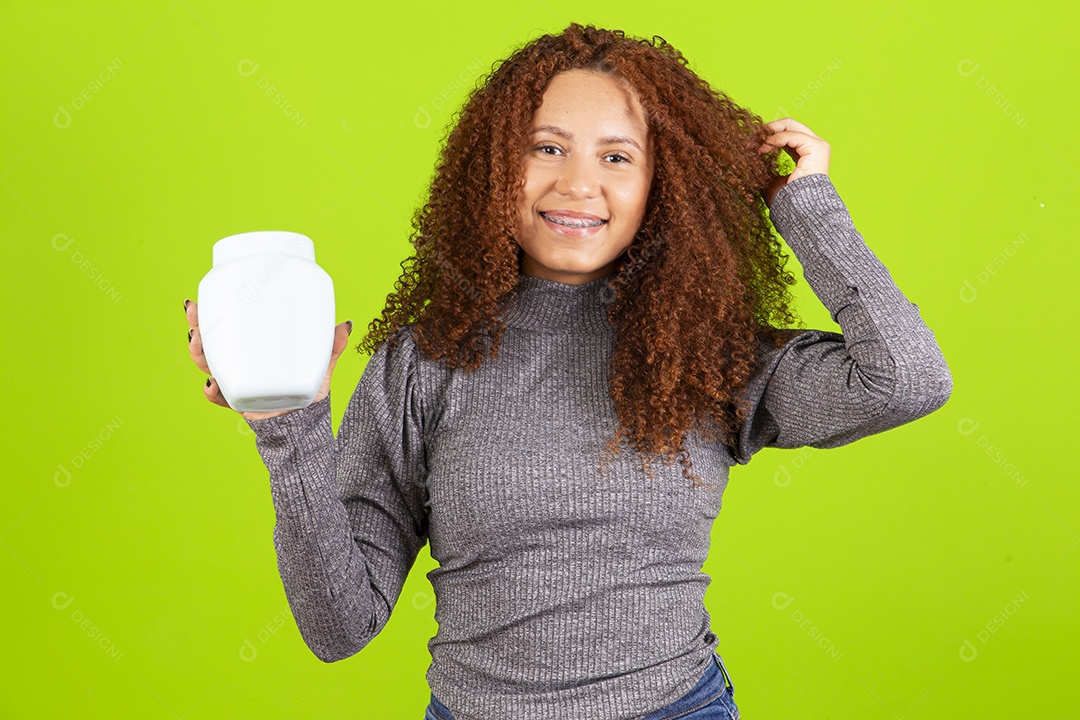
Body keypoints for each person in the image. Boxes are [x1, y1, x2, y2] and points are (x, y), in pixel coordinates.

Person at [184, 23, 952, 720]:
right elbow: (338, 628)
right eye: (545, 147)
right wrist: (288, 426)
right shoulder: (422, 362)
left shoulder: (708, 355)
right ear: (494, 167)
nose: (579, 184)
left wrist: (806, 205)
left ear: (664, 185)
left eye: (618, 157)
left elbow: (908, 380)